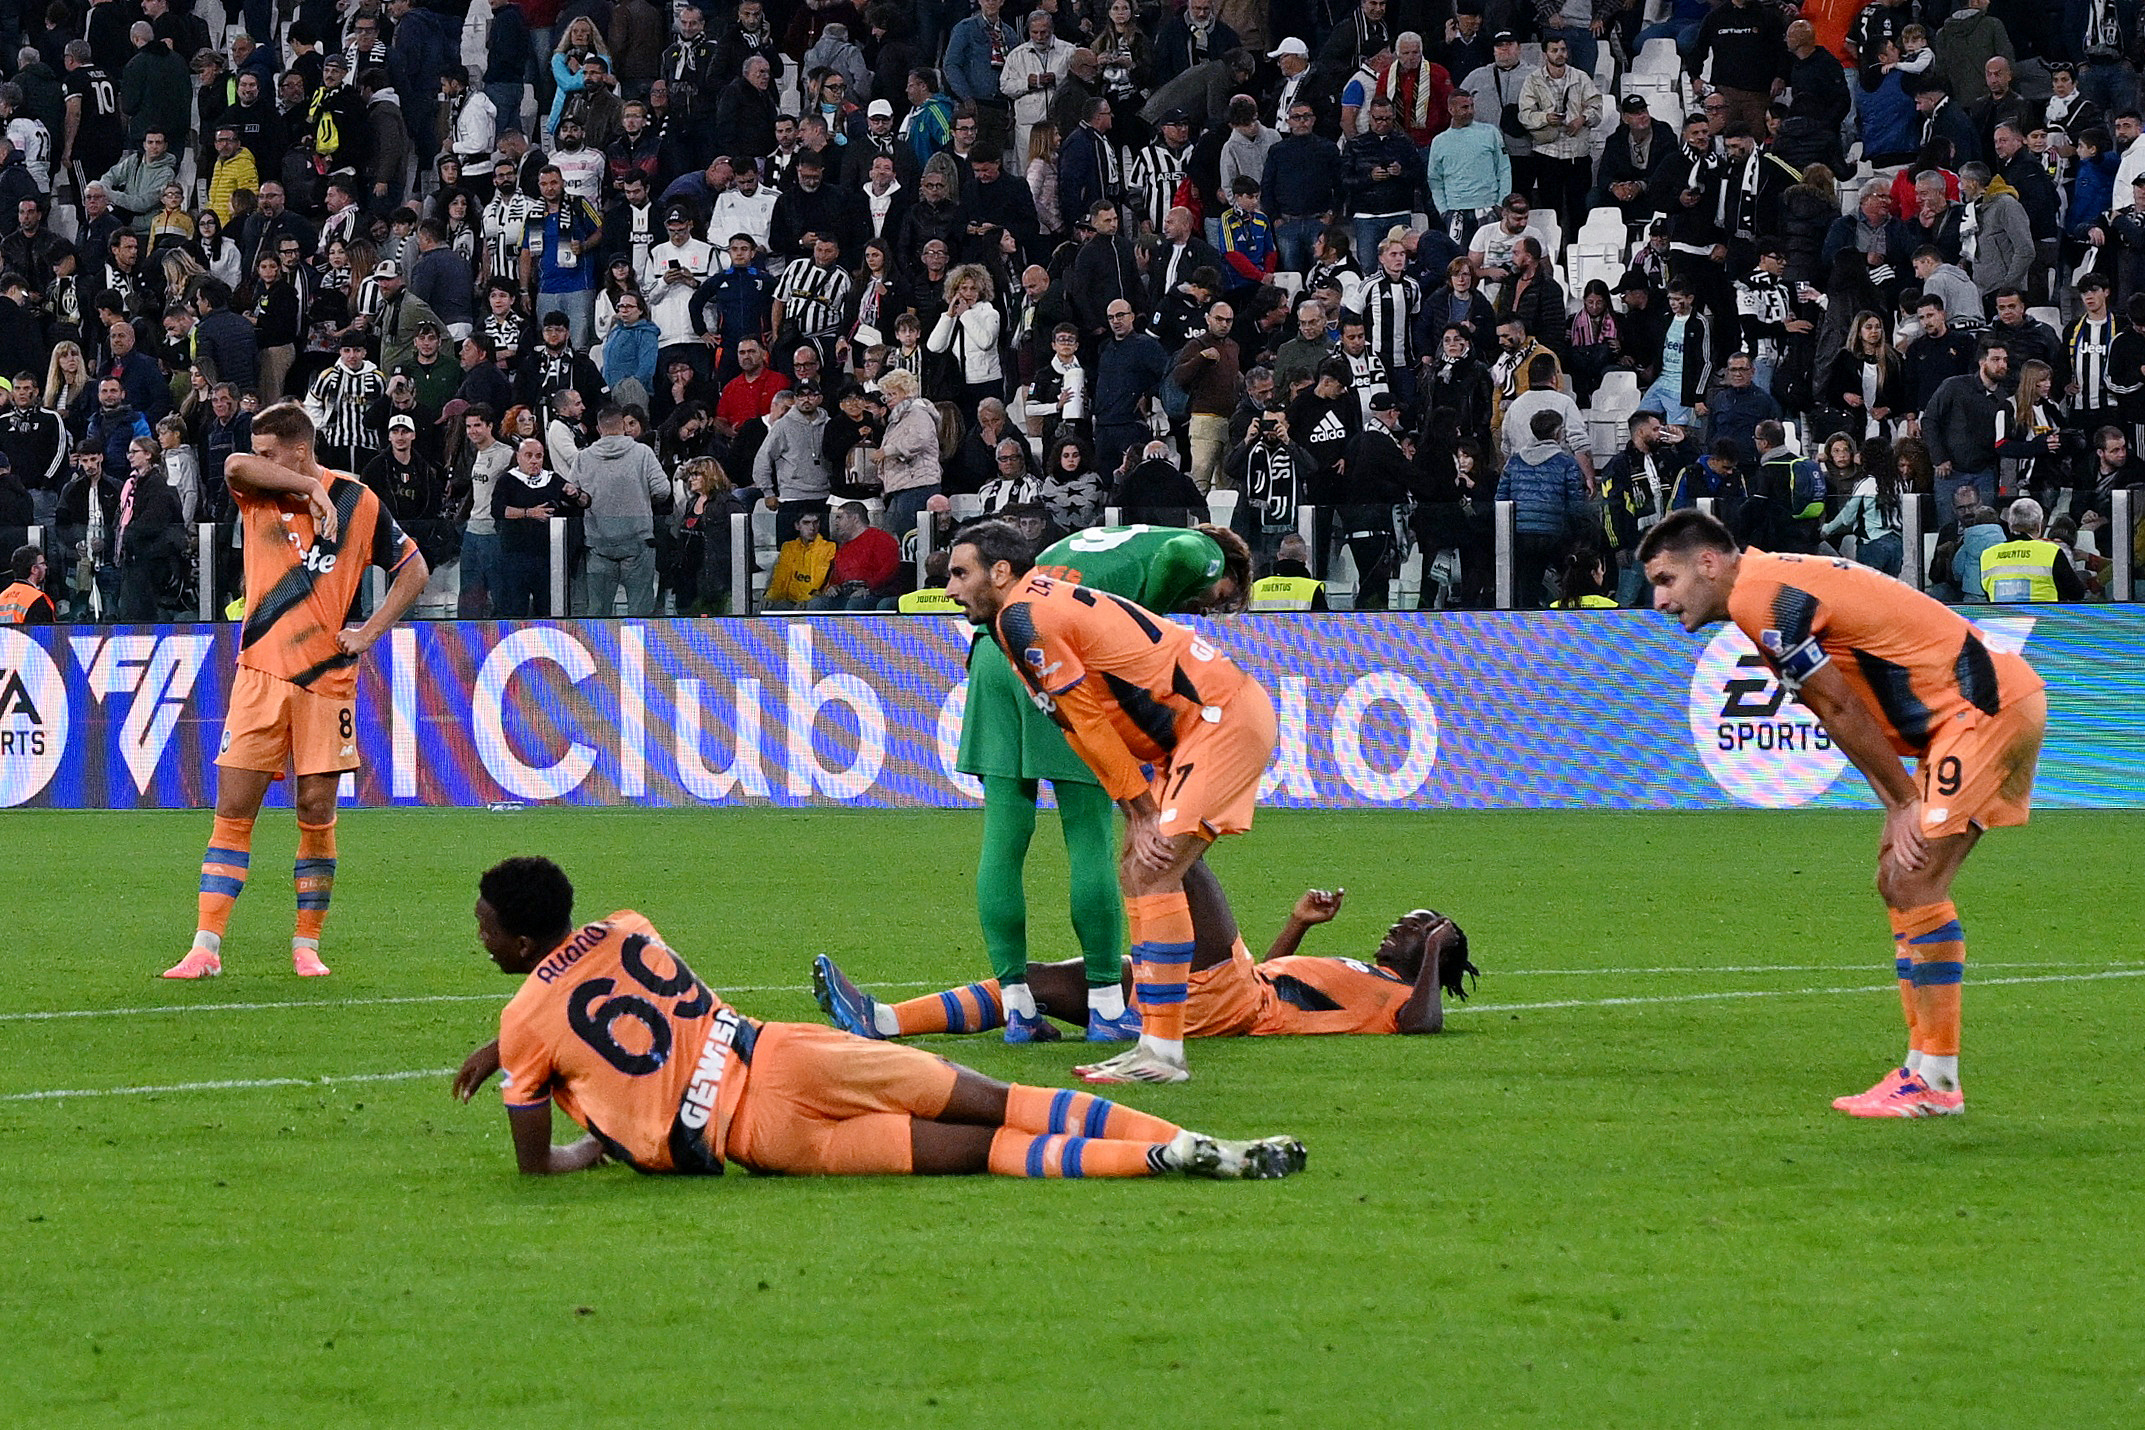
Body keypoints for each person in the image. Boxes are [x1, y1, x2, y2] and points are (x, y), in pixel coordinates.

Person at [449, 855, 1305, 1180]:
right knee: (1001, 1103)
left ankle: (1158, 1162)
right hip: (786, 1056)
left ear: (521, 939)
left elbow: (539, 1163)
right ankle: (1198, 1142)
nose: (481, 941)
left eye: (487, 930)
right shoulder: (629, 925)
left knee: (985, 1156)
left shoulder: (529, 1019)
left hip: (764, 1143)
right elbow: (599, 990)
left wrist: (591, 1145)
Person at [1640, 509, 2047, 1117]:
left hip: (1981, 709)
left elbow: (1837, 707)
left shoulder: (1760, 597)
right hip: (1968, 715)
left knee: (1914, 879)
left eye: (1666, 579)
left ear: (1708, 563)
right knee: (1896, 879)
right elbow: (1844, 704)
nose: (1660, 600)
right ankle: (1921, 1069)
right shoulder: (1768, 582)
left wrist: (1908, 801)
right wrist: (1896, 803)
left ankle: (1936, 1083)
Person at [944, 519, 1277, 1084]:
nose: (949, 588)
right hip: (1193, 726)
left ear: (1001, 572)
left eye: (959, 573)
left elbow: (1092, 721)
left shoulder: (1025, 618)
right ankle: (1147, 1040)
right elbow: (1076, 725)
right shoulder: (1015, 618)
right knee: (1134, 869)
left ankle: (1162, 1052)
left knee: (1153, 870)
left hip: (1217, 721)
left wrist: (1144, 809)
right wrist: (1135, 809)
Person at [162, 403, 429, 981]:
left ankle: (307, 944)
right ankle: (205, 947)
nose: (260, 460)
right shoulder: (260, 491)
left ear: (300, 446)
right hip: (260, 675)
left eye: (269, 451)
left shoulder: (360, 501)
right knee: (234, 810)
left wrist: (370, 631)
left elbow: (415, 570)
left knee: (316, 812)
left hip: (326, 683)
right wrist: (308, 486)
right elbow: (235, 466)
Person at [818, 885, 1479, 1042]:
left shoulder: (1399, 1000)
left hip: (1226, 1001)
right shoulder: (1364, 978)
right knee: (1038, 981)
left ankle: (1162, 778)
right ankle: (882, 1021)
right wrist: (1297, 927)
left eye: (1417, 927)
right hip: (1236, 990)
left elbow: (1425, 1025)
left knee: (1184, 852)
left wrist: (1431, 959)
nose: (1401, 924)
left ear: (1433, 950)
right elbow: (1279, 984)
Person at [1979, 497, 2086, 601]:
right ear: (2038, 526)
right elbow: (2076, 593)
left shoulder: (1988, 555)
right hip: (2044, 617)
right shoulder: (2050, 552)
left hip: (2002, 617)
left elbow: (1989, 594)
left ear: (2010, 525)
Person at [0, 542, 54, 623]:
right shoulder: (37, 599)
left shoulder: (2, 597)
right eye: (42, 564)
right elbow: (45, 634)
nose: (45, 567)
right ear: (34, 569)